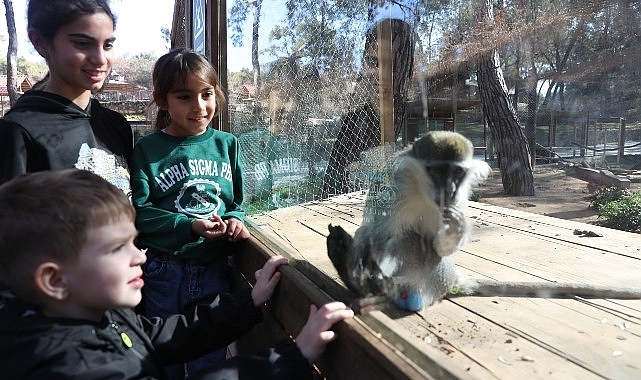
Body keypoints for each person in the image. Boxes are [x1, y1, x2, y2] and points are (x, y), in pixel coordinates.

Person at [0, 169, 354, 380]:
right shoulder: (75, 368)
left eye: (135, 242)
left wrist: (248, 301)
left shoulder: (91, 314)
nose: (141, 256)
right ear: (55, 281)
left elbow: (162, 335)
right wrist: (292, 355)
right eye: (116, 248)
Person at [129, 48, 250, 376]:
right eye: (185, 96)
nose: (199, 106)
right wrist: (188, 226)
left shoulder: (228, 145)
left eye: (207, 94)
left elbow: (236, 204)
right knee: (162, 356)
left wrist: (237, 221)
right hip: (164, 271)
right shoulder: (148, 150)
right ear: (163, 100)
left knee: (209, 360)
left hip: (213, 269)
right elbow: (140, 212)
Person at [0, 0, 133, 195]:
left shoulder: (116, 125)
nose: (100, 59)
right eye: (82, 43)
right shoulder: (18, 131)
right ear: (40, 42)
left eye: (107, 45)